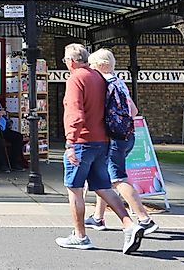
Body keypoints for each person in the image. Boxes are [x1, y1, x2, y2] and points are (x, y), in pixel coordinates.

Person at [56, 43, 145, 254]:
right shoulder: (98, 77)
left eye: (65, 61)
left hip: (82, 141)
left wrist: (70, 142)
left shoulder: (76, 78)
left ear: (71, 61)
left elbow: (74, 112)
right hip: (103, 140)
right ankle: (130, 225)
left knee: (75, 189)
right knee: (103, 187)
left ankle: (80, 236)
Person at [84, 49, 159, 235]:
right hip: (127, 135)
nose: (91, 69)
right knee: (105, 177)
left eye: (92, 65)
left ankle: (144, 219)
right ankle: (98, 217)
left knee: (118, 178)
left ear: (100, 65)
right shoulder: (119, 82)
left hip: (113, 138)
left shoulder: (102, 84)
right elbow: (133, 111)